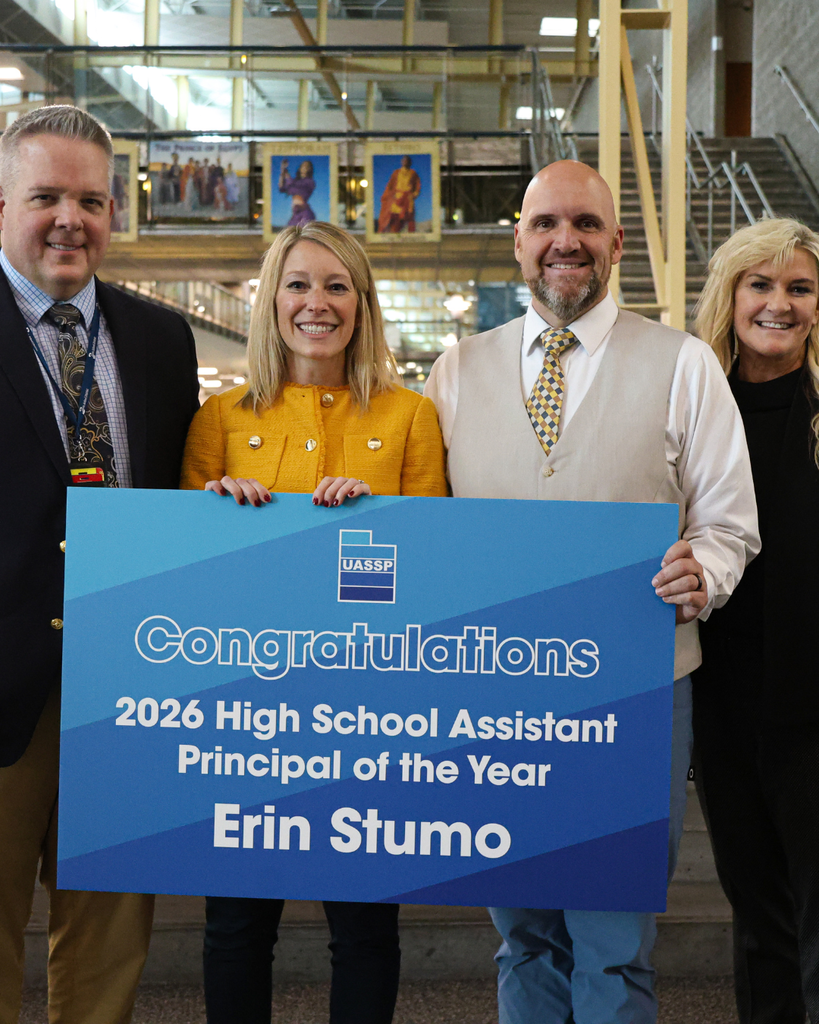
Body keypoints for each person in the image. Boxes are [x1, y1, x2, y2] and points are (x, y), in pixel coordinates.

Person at [424, 159, 760, 1024]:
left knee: (613, 954)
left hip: (638, 689)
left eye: (582, 225)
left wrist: (704, 572)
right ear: (518, 244)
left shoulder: (684, 364)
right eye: (544, 225)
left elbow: (729, 522)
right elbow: (423, 525)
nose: (562, 242)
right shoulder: (457, 370)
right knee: (524, 936)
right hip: (496, 697)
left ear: (615, 242)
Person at [180, 220, 448, 1024]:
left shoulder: (411, 417)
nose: (316, 304)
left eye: (337, 286)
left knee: (364, 927)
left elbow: (436, 563)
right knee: (234, 924)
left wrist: (378, 525)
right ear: (271, 300)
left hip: (361, 713)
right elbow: (183, 578)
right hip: (245, 714)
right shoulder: (219, 420)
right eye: (297, 284)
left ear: (362, 305)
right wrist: (213, 515)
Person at [0, 105, 200, 1023]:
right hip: (5, 684)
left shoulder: (162, 341)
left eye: (90, 198)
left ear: (116, 210)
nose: (68, 219)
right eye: (45, 196)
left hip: (132, 683)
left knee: (112, 933)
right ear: (4, 202)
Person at [692, 218, 819, 1024]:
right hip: (721, 695)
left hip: (816, 703)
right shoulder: (693, 409)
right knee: (757, 915)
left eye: (799, 288)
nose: (778, 303)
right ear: (729, 296)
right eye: (759, 284)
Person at [377, 155, 421, 234]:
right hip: (397, 197)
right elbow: (390, 186)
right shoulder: (396, 172)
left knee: (409, 216)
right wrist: (386, 196)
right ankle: (393, 233)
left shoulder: (413, 173)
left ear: (410, 162)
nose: (405, 162)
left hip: (408, 198)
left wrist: (414, 194)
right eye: (404, 160)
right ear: (401, 162)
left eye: (407, 161)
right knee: (394, 216)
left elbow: (417, 186)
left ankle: (411, 237)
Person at [278, 158, 317, 227]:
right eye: (303, 166)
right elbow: (282, 188)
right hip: (296, 213)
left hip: (305, 213)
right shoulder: (296, 181)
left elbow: (295, 188)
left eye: (307, 166)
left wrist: (287, 175)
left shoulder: (310, 182)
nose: (305, 168)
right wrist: (282, 171)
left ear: (310, 169)